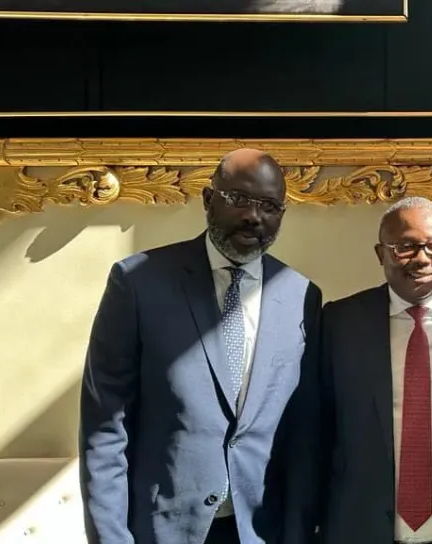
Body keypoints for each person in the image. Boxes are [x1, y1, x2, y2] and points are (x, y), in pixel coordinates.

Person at [78, 148, 322, 544]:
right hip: (164, 529)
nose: (253, 216)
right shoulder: (138, 283)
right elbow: (105, 425)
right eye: (238, 198)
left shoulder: (301, 295)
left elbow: (303, 433)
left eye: (269, 206)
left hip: (260, 530)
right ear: (208, 199)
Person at [289, 197, 432, 544]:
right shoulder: (339, 323)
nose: (422, 258)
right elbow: (312, 432)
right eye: (406, 247)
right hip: (359, 530)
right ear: (381, 254)